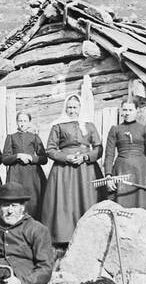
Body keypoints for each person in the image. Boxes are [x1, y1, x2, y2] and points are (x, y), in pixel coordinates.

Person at [40, 95, 103, 248]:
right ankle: (63, 237)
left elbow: (99, 148)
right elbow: (50, 149)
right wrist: (66, 157)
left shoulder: (89, 125)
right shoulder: (58, 125)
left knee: (86, 198)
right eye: (69, 107)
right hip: (64, 170)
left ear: (80, 108)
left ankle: (89, 235)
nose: (72, 110)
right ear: (65, 108)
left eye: (75, 107)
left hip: (86, 169)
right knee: (65, 200)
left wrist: (86, 157)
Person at [103, 98, 146, 222]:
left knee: (144, 208)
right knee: (122, 210)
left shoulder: (144, 129)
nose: (127, 113)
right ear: (122, 111)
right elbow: (109, 155)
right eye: (125, 110)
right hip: (121, 172)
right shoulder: (115, 129)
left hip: (141, 173)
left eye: (130, 110)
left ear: (137, 111)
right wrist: (108, 176)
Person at [0, 111, 48, 220]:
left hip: (33, 175)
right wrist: (17, 156)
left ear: (29, 123)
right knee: (16, 198)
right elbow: (5, 159)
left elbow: (44, 158)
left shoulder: (34, 137)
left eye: (25, 121)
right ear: (17, 122)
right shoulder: (11, 137)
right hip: (16, 174)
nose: (22, 123)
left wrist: (31, 158)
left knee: (34, 200)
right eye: (20, 121)